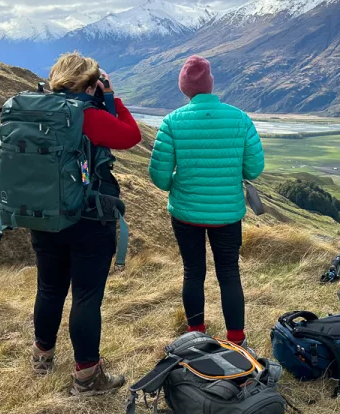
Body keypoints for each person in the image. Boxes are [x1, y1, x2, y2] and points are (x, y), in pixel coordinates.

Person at [29, 52, 141, 396]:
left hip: (43, 215)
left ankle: (42, 357)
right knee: (86, 296)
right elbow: (131, 135)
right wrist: (112, 97)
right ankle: (87, 378)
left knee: (49, 288)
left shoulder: (35, 110)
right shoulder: (89, 116)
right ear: (91, 84)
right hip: (88, 220)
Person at [148, 55, 265, 347]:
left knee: (193, 272)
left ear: (183, 88)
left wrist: (182, 183)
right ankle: (237, 340)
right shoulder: (239, 118)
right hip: (227, 213)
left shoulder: (172, 122)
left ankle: (197, 337)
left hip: (186, 212)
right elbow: (254, 169)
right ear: (211, 84)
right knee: (229, 273)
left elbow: (160, 178)